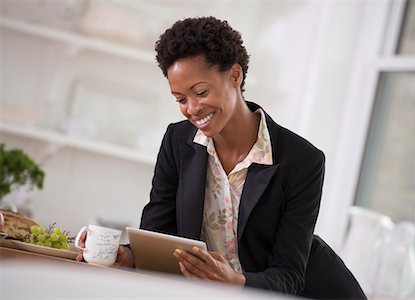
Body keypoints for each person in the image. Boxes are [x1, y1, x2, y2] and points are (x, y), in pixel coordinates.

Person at [77, 16, 365, 299]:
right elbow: (157, 237)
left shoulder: (302, 161)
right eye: (180, 99)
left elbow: (288, 275)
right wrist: (124, 256)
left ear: (235, 76)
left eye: (200, 92)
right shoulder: (178, 142)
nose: (191, 109)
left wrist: (237, 282)